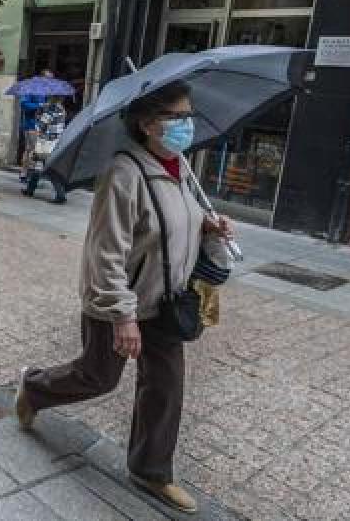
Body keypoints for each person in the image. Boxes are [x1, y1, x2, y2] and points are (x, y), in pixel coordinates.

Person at [13, 80, 234, 516]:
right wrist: (122, 316)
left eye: (189, 115)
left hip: (167, 301)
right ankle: (34, 388)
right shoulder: (123, 173)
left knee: (165, 387)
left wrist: (207, 226)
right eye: (178, 117)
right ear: (148, 124)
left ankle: (151, 470)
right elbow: (105, 251)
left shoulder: (182, 168)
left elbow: (174, 223)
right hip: (121, 302)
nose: (187, 125)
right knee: (98, 377)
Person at [22, 95, 68, 203]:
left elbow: (41, 125)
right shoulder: (62, 109)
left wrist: (38, 115)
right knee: (38, 165)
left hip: (46, 142)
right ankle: (30, 190)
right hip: (55, 141)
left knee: (48, 167)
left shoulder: (51, 109)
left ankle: (61, 195)